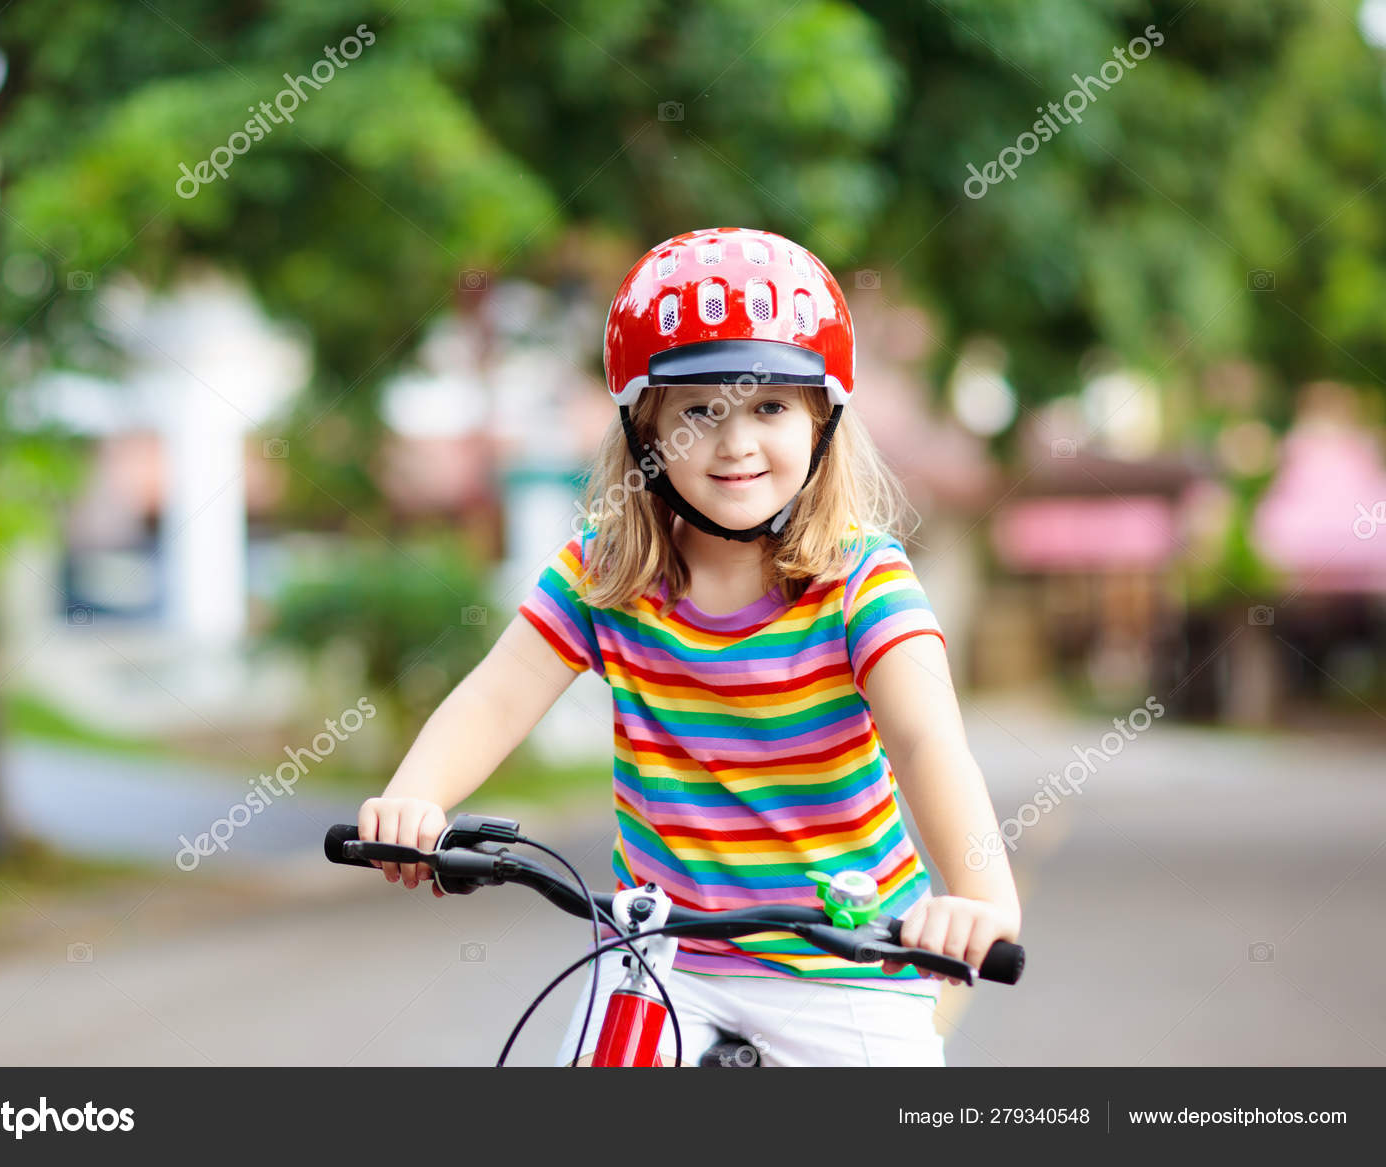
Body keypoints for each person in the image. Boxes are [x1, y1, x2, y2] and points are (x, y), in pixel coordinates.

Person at [356, 227, 1020, 1066]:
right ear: (644, 430)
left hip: (845, 962)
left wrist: (981, 897)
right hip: (661, 959)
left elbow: (929, 742)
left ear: (823, 418)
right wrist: (416, 795)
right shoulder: (606, 573)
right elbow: (494, 695)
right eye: (700, 409)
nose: (736, 440)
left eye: (770, 406)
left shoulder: (863, 581)